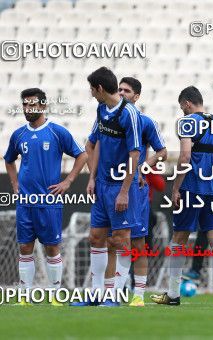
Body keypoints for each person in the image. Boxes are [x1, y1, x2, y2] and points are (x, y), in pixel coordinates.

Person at [86, 77, 167, 307]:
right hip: (107, 186)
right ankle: (106, 294)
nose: (122, 93)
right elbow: (94, 143)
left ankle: (138, 295)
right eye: (119, 89)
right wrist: (93, 176)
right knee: (108, 240)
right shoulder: (106, 113)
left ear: (137, 96)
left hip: (134, 190)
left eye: (127, 90)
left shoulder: (144, 121)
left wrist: (143, 166)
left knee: (136, 243)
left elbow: (162, 151)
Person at [4, 88, 87, 306]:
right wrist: (15, 183)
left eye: (32, 104)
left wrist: (67, 182)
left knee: (52, 247)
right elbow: (9, 160)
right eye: (25, 104)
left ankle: (55, 294)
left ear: (42, 106)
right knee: (24, 247)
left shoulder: (57, 132)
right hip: (25, 202)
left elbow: (82, 155)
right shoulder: (18, 135)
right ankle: (25, 296)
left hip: (49, 202)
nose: (27, 108)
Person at [150, 86, 213, 306]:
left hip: (192, 186)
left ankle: (173, 294)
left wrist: (176, 187)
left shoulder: (187, 122)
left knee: (180, 239)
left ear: (186, 104)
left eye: (181, 107)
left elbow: (185, 156)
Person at [71, 67, 142, 306]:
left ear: (99, 88)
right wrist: (92, 178)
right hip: (101, 185)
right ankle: (97, 294)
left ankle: (116, 295)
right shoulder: (101, 109)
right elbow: (94, 143)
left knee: (120, 240)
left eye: (92, 89)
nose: (91, 94)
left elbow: (134, 154)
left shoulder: (129, 113)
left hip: (120, 187)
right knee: (96, 237)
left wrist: (124, 190)